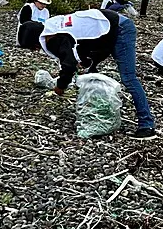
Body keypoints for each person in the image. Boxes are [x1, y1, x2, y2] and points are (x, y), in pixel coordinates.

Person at [37, 9, 156, 140]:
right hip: (109, 28)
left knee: (129, 78)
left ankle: (147, 124)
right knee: (91, 73)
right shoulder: (58, 27)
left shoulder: (56, 37)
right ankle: (97, 112)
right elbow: (86, 45)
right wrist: (89, 62)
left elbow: (70, 64)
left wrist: (61, 86)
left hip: (120, 28)